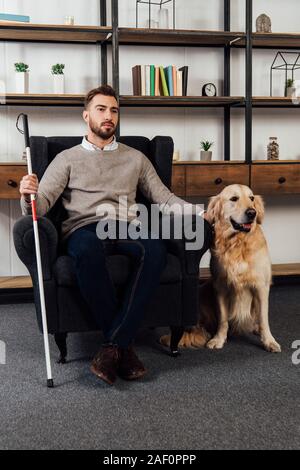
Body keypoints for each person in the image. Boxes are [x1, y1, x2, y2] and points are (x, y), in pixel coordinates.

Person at [19, 85, 208, 386]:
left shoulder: (136, 158)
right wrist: (27, 192)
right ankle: (124, 347)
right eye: (101, 109)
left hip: (126, 224)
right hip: (84, 227)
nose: (109, 116)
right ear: (86, 115)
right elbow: (39, 206)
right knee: (87, 251)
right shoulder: (67, 158)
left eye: (114, 110)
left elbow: (165, 199)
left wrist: (201, 214)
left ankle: (113, 346)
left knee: (156, 251)